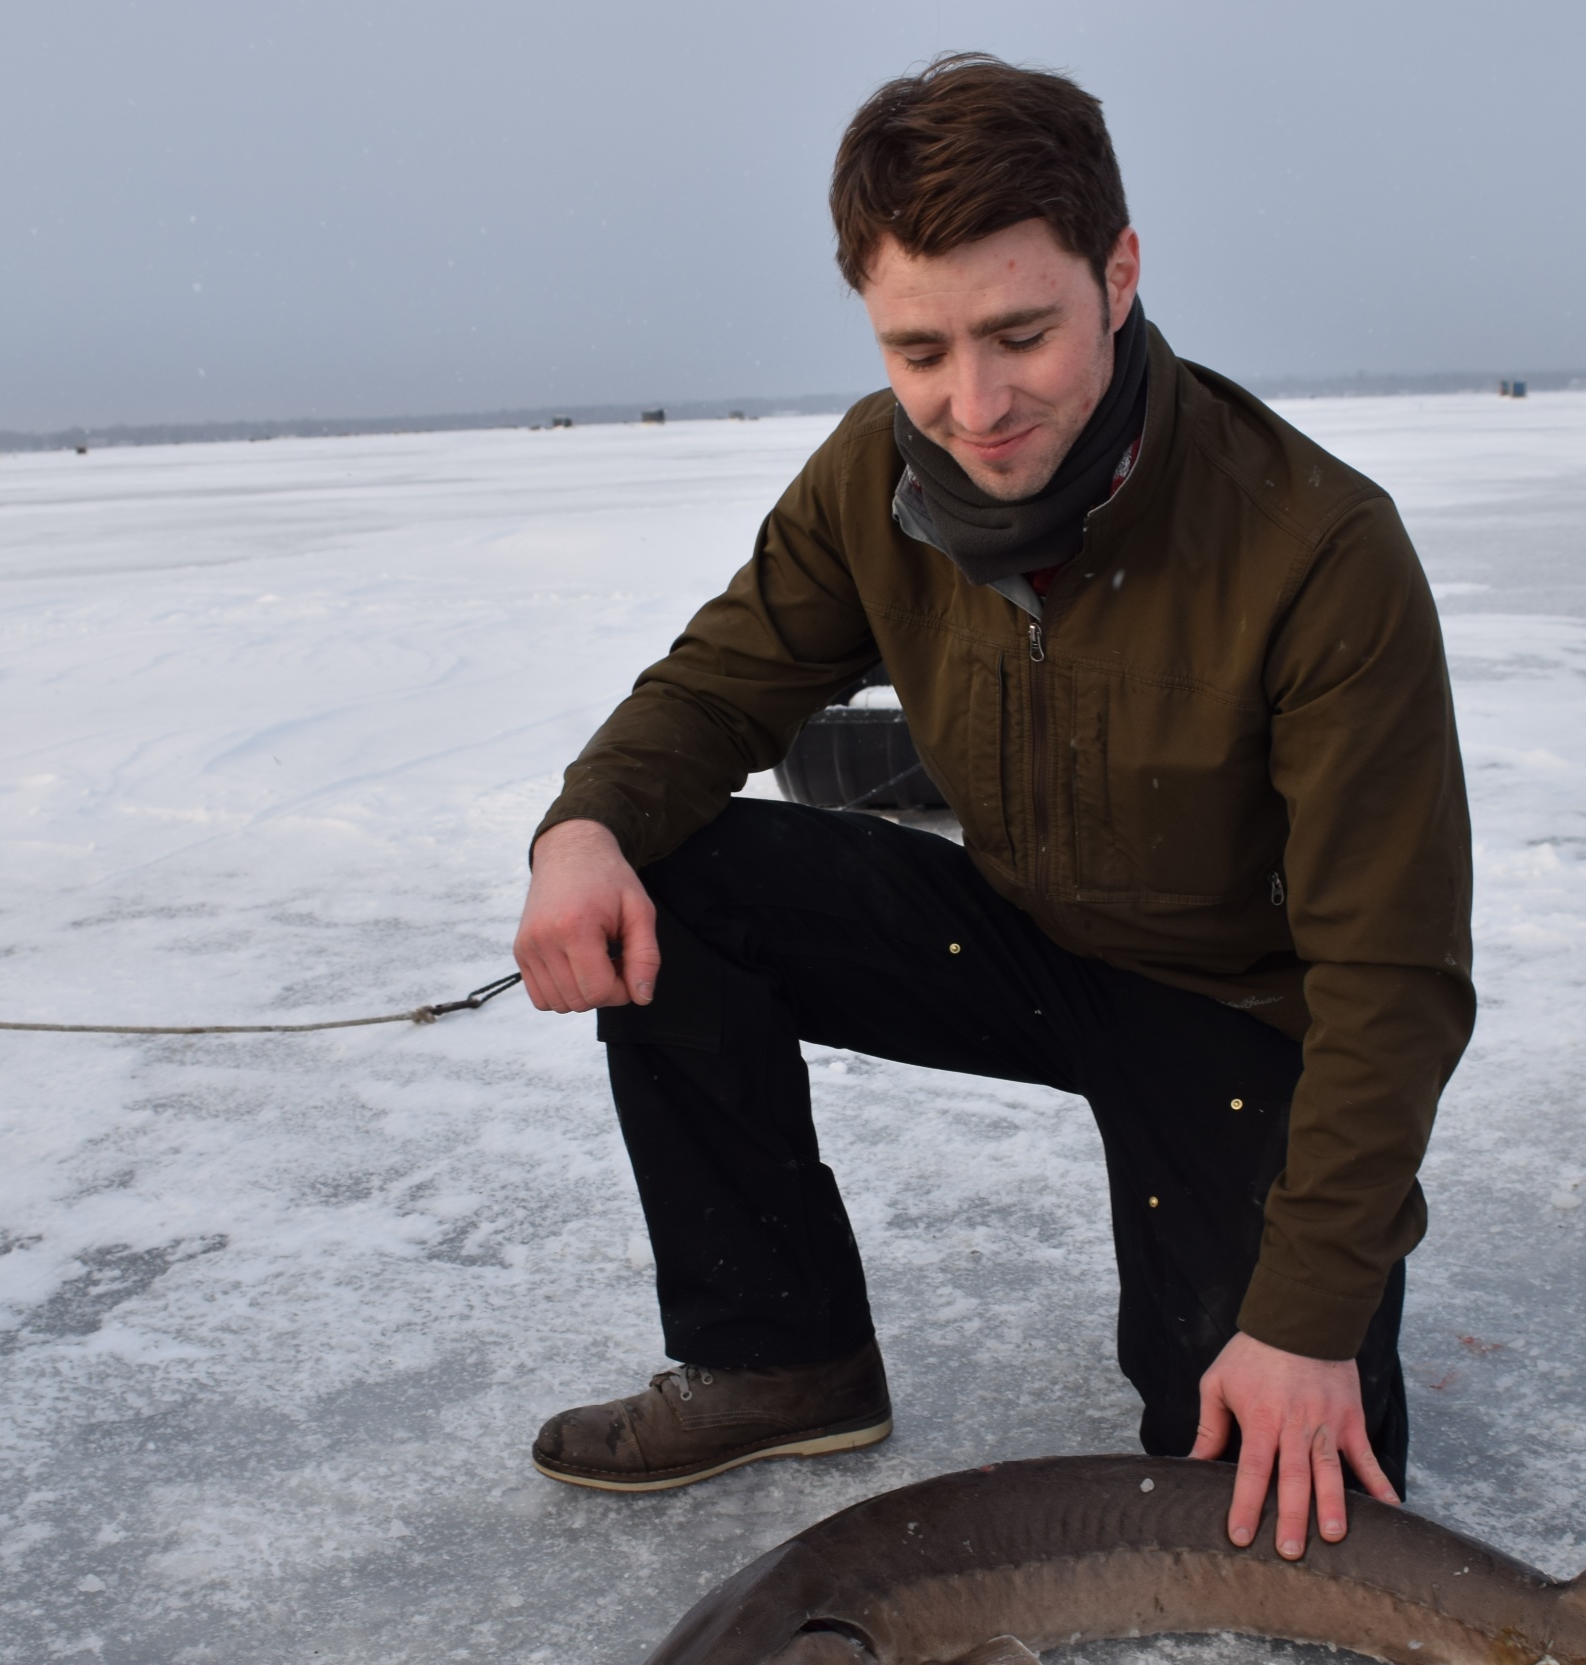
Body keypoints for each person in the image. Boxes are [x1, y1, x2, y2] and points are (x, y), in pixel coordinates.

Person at [511, 54, 1472, 1562]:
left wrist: (1304, 1317)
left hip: (1228, 1009)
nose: (974, 402)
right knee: (667, 863)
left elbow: (1393, 979)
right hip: (1019, 936)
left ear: (1120, 272)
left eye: (1022, 332)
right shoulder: (869, 480)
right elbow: (711, 695)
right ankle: (780, 1354)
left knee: (1264, 1498)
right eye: (919, 349)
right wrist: (580, 827)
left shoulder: (1316, 547)